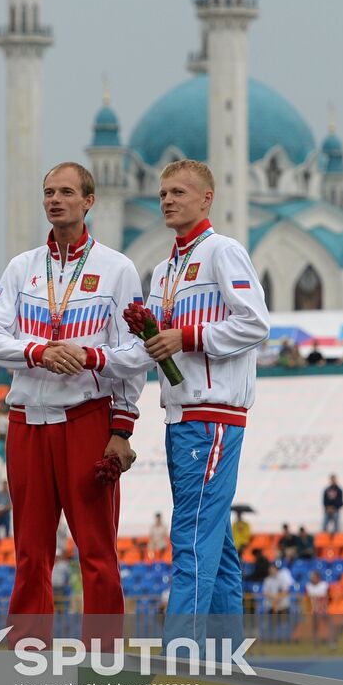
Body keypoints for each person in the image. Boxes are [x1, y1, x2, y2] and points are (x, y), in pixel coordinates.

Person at [94, 160, 270, 648]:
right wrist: (92, 356)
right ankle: (225, 654)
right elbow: (150, 346)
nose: (167, 200)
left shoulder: (223, 251)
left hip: (212, 413)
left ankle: (183, 658)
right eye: (163, 192)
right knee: (218, 544)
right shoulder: (168, 267)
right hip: (181, 413)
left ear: (206, 198)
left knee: (191, 537)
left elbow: (255, 323)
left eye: (179, 192)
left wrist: (185, 337)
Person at [0, 162, 146, 631]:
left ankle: (105, 659)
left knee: (96, 550)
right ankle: (28, 657)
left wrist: (120, 426)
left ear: (89, 200)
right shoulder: (22, 267)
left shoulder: (117, 268)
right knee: (30, 552)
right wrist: (38, 352)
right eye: (49, 192)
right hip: (26, 422)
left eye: (67, 192)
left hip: (86, 420)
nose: (55, 200)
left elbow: (137, 352)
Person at [305, 569, 332, 648]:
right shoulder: (308, 586)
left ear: (318, 577)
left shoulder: (324, 585)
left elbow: (329, 597)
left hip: (324, 610)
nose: (312, 578)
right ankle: (316, 646)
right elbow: (306, 599)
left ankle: (332, 643)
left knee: (329, 626)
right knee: (315, 629)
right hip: (314, 611)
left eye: (313, 577)